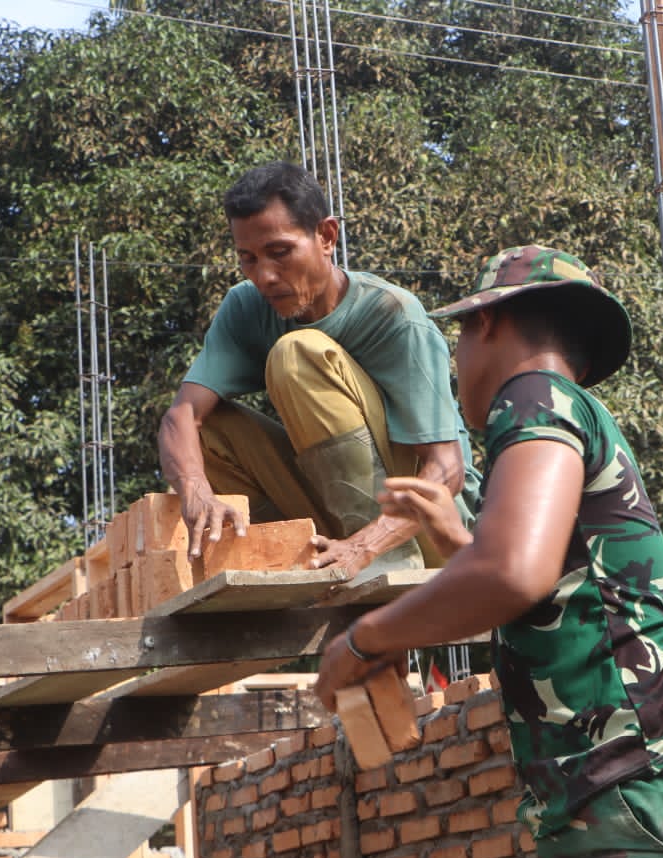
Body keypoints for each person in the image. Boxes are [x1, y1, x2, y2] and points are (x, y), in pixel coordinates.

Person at [314, 246, 663, 858]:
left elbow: (512, 573)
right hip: (610, 817)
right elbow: (548, 591)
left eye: (460, 338)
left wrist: (364, 641)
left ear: (488, 323)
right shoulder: (561, 412)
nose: (456, 363)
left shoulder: (532, 396)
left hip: (645, 806)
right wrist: (461, 546)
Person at [158, 161, 479, 577]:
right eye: (248, 259)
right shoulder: (245, 308)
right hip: (337, 524)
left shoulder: (394, 315)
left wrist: (365, 546)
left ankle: (380, 564)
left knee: (297, 353)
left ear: (326, 236)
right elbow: (181, 416)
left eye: (280, 253)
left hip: (432, 534)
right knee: (203, 432)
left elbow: (447, 470)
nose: (264, 276)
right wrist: (196, 491)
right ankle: (291, 557)